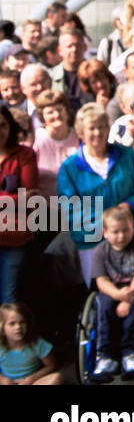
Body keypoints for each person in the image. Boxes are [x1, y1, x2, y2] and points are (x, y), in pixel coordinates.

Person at [58, 103, 134, 284]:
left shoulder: (128, 156)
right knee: (101, 291)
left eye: (101, 127)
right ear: (81, 133)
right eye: (91, 128)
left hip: (128, 236)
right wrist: (106, 223)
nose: (97, 132)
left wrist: (128, 207)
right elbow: (70, 208)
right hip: (91, 240)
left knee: (133, 288)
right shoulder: (70, 167)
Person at [88, 206, 134, 379]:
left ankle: (131, 354)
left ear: (133, 227)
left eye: (126, 230)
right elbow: (101, 281)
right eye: (116, 231)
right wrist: (118, 296)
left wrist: (128, 299)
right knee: (102, 303)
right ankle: (106, 356)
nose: (122, 235)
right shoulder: (101, 251)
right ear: (105, 233)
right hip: (112, 291)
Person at [0, 105, 37, 303]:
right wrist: (12, 199)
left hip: (14, 238)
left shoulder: (25, 155)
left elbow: (30, 199)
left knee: (9, 298)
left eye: (3, 125)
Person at [31, 90, 79, 199]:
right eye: (50, 112)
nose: (56, 115)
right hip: (44, 208)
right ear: (42, 117)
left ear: (67, 111)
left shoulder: (79, 137)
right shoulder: (35, 139)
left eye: (59, 109)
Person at [0, 302, 60, 384]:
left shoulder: (38, 344)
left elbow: (51, 365)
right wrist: (3, 379)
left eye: (22, 322)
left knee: (57, 378)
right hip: (8, 383)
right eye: (12, 323)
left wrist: (31, 379)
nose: (18, 327)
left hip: (31, 382)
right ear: (2, 329)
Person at [47, 29, 86, 109]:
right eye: (69, 46)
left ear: (85, 47)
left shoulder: (95, 74)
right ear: (60, 50)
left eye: (77, 45)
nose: (74, 49)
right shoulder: (50, 76)